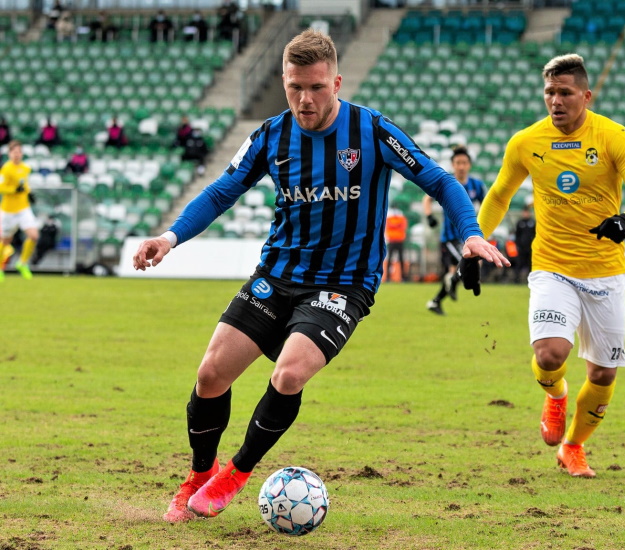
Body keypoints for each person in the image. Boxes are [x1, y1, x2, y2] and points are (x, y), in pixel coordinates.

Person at [132, 29, 509, 524]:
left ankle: (237, 472)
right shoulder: (270, 135)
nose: (305, 99)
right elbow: (223, 190)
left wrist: (471, 233)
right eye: (295, 87)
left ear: (336, 82)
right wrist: (170, 237)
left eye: (316, 87)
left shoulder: (372, 131)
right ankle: (200, 473)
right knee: (210, 374)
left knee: (289, 374)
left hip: (343, 284)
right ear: (284, 83)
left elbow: (439, 180)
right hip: (277, 274)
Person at [475, 53, 625, 478]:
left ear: (586, 95)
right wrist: (475, 240)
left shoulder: (614, 136)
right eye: (549, 92)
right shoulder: (526, 141)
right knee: (550, 353)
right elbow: (500, 194)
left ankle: (573, 447)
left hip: (605, 271)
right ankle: (556, 396)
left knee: (603, 374)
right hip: (552, 266)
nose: (556, 101)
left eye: (565, 92)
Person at [423, 145, 487, 315]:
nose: (461, 166)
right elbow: (427, 199)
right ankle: (461, 282)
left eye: (464, 163)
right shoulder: (446, 182)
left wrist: (483, 223)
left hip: (467, 236)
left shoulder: (476, 185)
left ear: (469, 165)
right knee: (468, 263)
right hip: (450, 237)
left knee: (458, 270)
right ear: (453, 164)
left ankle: (436, 301)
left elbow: (487, 204)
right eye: (458, 163)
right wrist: (429, 216)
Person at [0, 141, 38, 281]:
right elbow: (1, 187)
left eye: (19, 152)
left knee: (33, 236)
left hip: (23, 208)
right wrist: (14, 190)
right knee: (5, 241)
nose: (17, 155)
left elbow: (24, 185)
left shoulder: (25, 168)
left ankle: (22, 263)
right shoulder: (6, 169)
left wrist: (29, 193)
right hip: (8, 211)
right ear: (9, 154)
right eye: (14, 152)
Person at [383, 207, 408, 282]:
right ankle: (402, 277)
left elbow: (390, 226)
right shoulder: (401, 219)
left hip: (396, 240)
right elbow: (402, 226)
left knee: (396, 259)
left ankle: (390, 277)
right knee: (397, 259)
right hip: (394, 240)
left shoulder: (390, 219)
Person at [513, 203, 535, 283]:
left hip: (530, 247)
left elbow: (535, 234)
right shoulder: (520, 222)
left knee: (530, 264)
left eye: (527, 212)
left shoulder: (532, 222)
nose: (525, 214)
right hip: (521, 248)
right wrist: (518, 245)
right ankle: (516, 280)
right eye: (524, 212)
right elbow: (517, 235)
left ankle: (530, 280)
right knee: (519, 263)